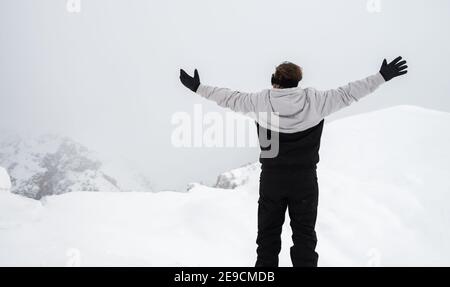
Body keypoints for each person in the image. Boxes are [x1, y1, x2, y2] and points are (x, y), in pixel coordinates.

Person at [179, 57, 408, 267]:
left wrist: (198, 87)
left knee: (267, 239)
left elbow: (227, 97)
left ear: (273, 80)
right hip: (305, 181)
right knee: (304, 238)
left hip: (272, 180)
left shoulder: (259, 102)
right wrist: (381, 76)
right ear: (298, 81)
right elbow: (350, 93)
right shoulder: (317, 101)